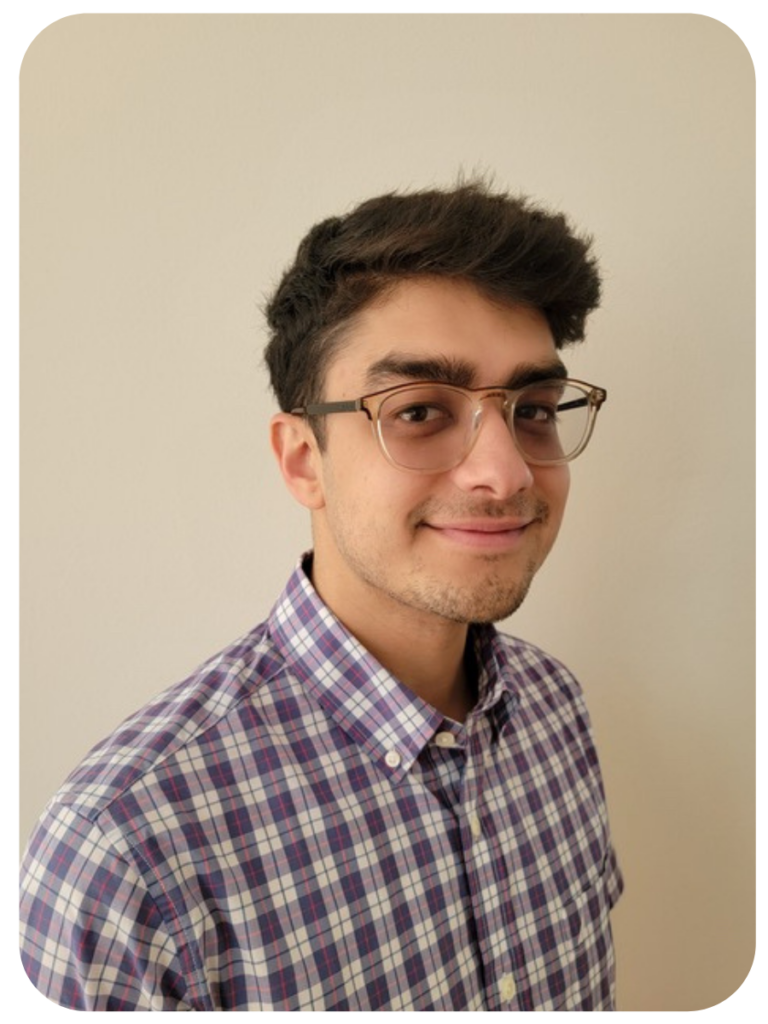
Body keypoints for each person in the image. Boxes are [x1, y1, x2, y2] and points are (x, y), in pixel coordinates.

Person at [20, 180, 623, 1011]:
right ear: (304, 459)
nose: (508, 471)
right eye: (418, 410)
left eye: (534, 409)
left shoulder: (555, 708)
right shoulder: (131, 847)